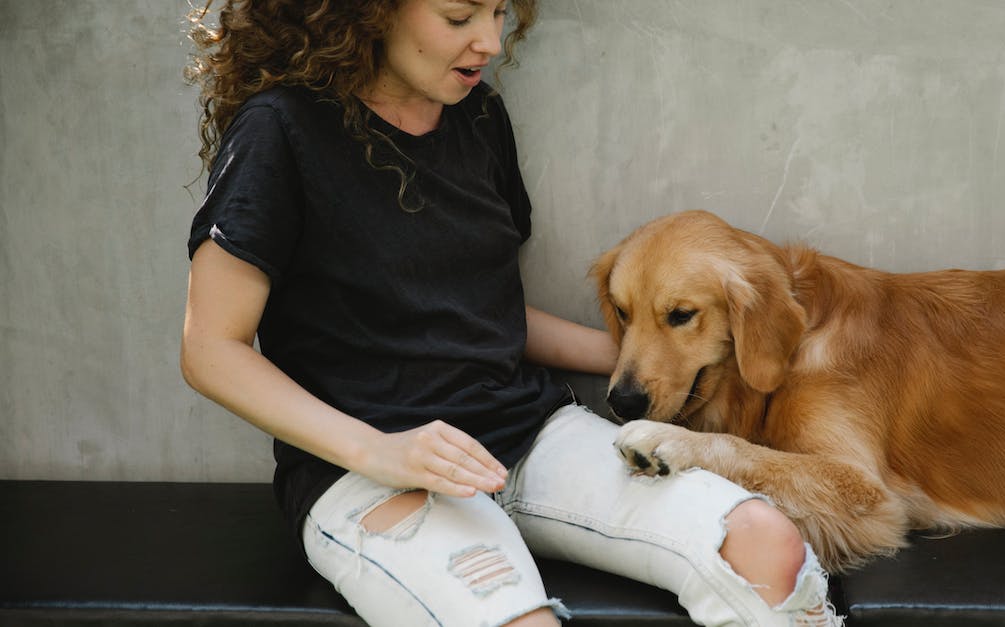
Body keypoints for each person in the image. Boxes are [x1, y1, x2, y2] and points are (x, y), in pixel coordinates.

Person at [180, 1, 843, 625]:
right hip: (365, 469)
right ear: (370, 9)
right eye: (459, 15)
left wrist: (648, 357)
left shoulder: (478, 116)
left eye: (500, 11)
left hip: (528, 433)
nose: (490, 42)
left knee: (764, 542)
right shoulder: (280, 130)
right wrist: (378, 449)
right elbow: (211, 349)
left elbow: (483, 312)